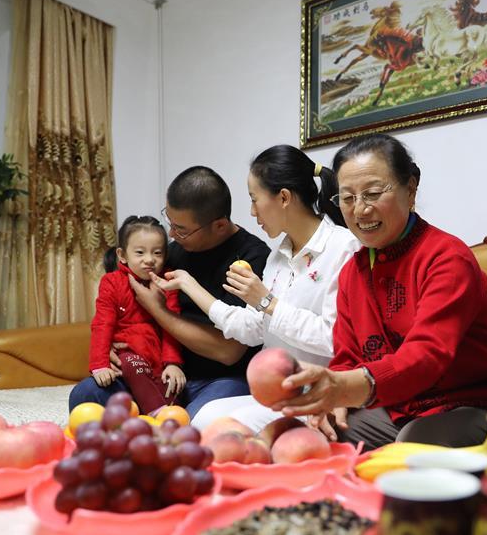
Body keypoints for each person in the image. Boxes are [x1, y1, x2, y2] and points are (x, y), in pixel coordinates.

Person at [269, 133, 487, 450]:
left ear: (410, 189)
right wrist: (335, 400)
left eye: (373, 194)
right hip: (399, 407)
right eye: (347, 198)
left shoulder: (446, 258)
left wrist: (346, 386)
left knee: (414, 442)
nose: (360, 210)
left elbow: (426, 357)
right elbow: (347, 357)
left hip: (471, 404)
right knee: (309, 437)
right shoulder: (352, 273)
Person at [154, 145, 360, 435]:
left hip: (317, 394)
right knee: (200, 420)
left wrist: (267, 302)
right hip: (275, 393)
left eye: (254, 199)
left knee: (209, 430)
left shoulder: (344, 247)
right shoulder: (278, 257)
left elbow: (334, 338)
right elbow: (252, 330)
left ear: (284, 198)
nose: (251, 212)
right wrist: (190, 285)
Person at [69, 166, 271, 418]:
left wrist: (158, 310)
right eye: (170, 222)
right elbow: (121, 306)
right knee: (85, 395)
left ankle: (154, 421)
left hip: (220, 378)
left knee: (195, 423)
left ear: (219, 225)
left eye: (181, 229)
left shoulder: (253, 257)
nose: (172, 235)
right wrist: (110, 348)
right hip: (158, 372)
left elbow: (228, 351)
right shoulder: (173, 252)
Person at [84, 216, 184, 414]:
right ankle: (157, 413)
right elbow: (102, 324)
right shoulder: (112, 282)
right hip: (127, 353)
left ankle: (169, 412)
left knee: (173, 383)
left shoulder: (168, 282)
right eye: (140, 252)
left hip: (157, 356)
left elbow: (172, 328)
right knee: (130, 364)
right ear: (122, 255)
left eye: (157, 253)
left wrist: (173, 364)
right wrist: (100, 364)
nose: (149, 259)